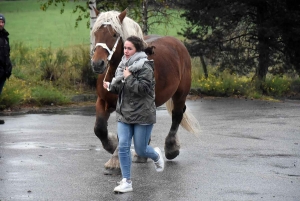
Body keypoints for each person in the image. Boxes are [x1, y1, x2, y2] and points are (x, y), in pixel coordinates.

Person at [103, 35, 164, 193]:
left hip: (142, 114)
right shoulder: (123, 64)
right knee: (123, 146)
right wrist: (111, 86)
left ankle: (156, 155)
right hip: (124, 113)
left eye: (129, 48)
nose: (126, 51)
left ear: (137, 49)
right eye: (125, 48)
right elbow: (121, 87)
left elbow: (143, 90)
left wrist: (128, 77)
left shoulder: (146, 66)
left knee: (141, 149)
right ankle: (127, 181)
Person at [0, 14, 12, 125]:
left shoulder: (5, 38)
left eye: (2, 22)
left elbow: (6, 55)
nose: (1, 24)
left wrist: (9, 68)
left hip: (3, 72)